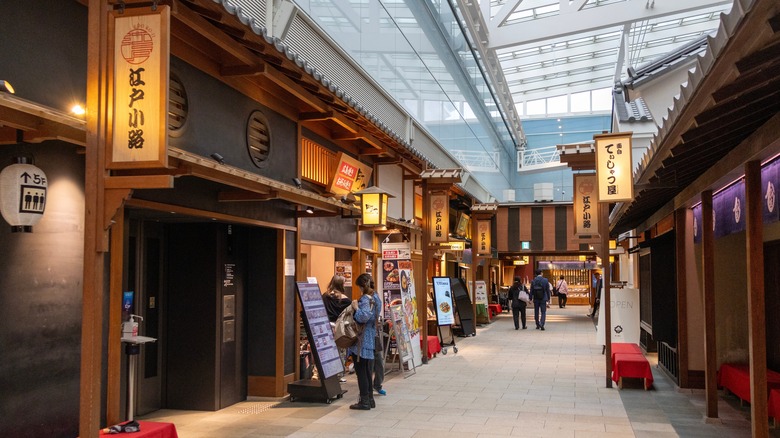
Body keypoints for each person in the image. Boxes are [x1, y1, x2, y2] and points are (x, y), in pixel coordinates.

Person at [347, 273, 381, 410]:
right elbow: (375, 315)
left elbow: (364, 316)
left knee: (361, 371)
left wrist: (356, 307)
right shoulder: (376, 297)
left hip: (362, 339)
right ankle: (370, 399)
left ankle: (364, 401)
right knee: (367, 370)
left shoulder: (365, 299)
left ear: (362, 286)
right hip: (371, 336)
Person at [373, 318, 390, 396]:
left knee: (379, 364)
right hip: (366, 341)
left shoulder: (374, 308)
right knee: (368, 367)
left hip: (375, 340)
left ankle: (377, 385)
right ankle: (368, 389)